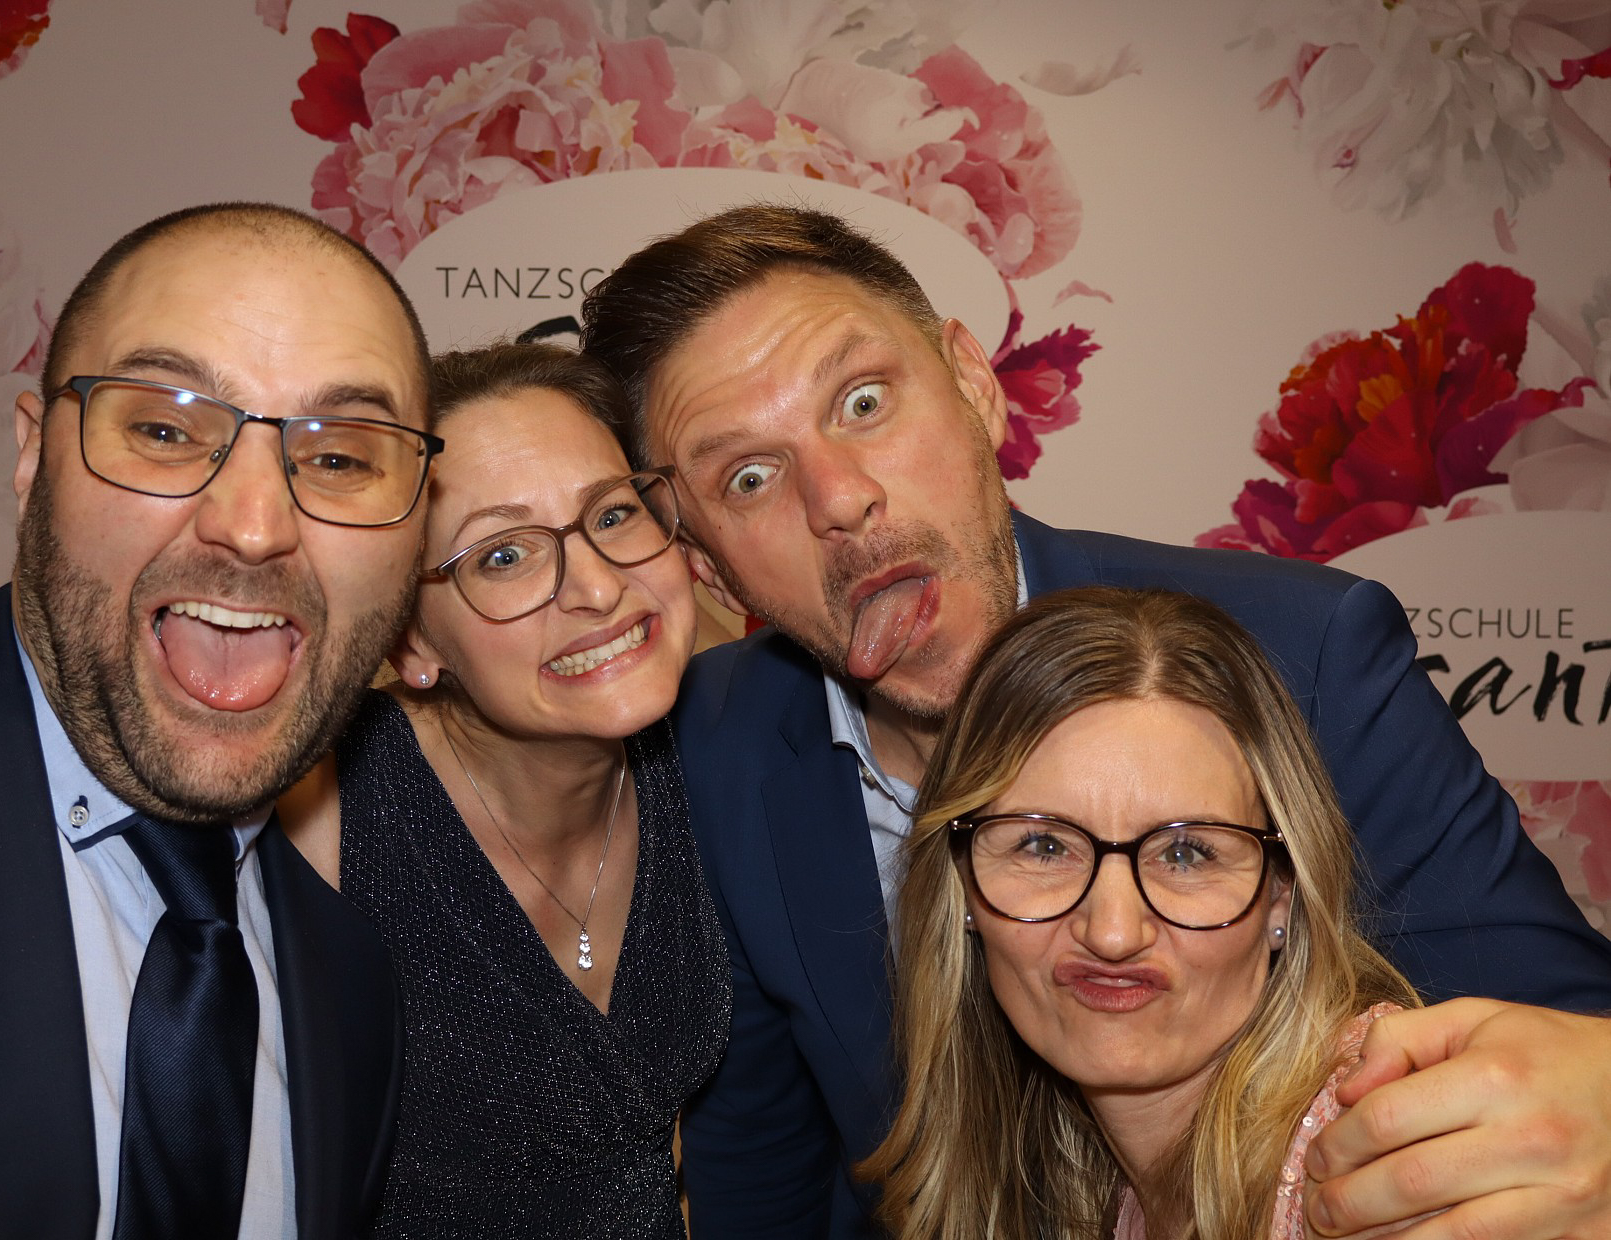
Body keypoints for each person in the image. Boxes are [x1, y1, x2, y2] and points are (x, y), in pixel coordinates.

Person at [578, 204, 1611, 1240]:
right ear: (710, 568)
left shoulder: (1306, 656)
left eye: (862, 401)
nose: (839, 499)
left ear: (975, 385)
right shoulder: (714, 746)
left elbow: (1561, 1050)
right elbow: (765, 1174)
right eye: (748, 477)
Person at [0, 202, 437, 1239]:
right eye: (165, 430)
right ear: (33, 456)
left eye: (342, 458)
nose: (254, 525)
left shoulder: (353, 990)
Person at [279, 340, 730, 1237]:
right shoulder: (322, 808)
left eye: (612, 514)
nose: (597, 587)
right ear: (410, 640)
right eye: (503, 556)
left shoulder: (720, 739)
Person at [861, 586, 1425, 1239]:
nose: (1112, 932)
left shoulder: (1372, 1148)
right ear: (961, 887)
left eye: (1185, 854)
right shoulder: (1101, 1178)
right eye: (1045, 847)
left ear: (1282, 894)